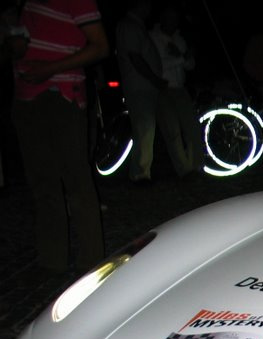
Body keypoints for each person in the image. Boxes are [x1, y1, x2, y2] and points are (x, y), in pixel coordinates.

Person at [10, 0, 108, 273]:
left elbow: (100, 45)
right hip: (25, 96)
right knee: (42, 185)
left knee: (77, 181)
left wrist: (50, 69)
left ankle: (91, 263)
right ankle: (52, 261)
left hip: (62, 94)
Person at [117, 0, 165, 182]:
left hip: (145, 87)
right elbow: (135, 57)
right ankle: (140, 174)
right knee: (144, 129)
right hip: (139, 87)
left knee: (145, 130)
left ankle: (142, 171)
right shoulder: (129, 26)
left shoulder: (137, 26)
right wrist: (154, 79)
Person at [150, 4, 200, 177]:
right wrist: (181, 57)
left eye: (175, 19)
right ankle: (184, 171)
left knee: (192, 126)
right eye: (169, 18)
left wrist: (183, 56)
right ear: (162, 19)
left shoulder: (179, 39)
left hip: (180, 88)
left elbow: (190, 65)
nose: (173, 22)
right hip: (163, 89)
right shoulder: (153, 38)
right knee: (172, 131)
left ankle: (196, 167)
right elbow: (159, 66)